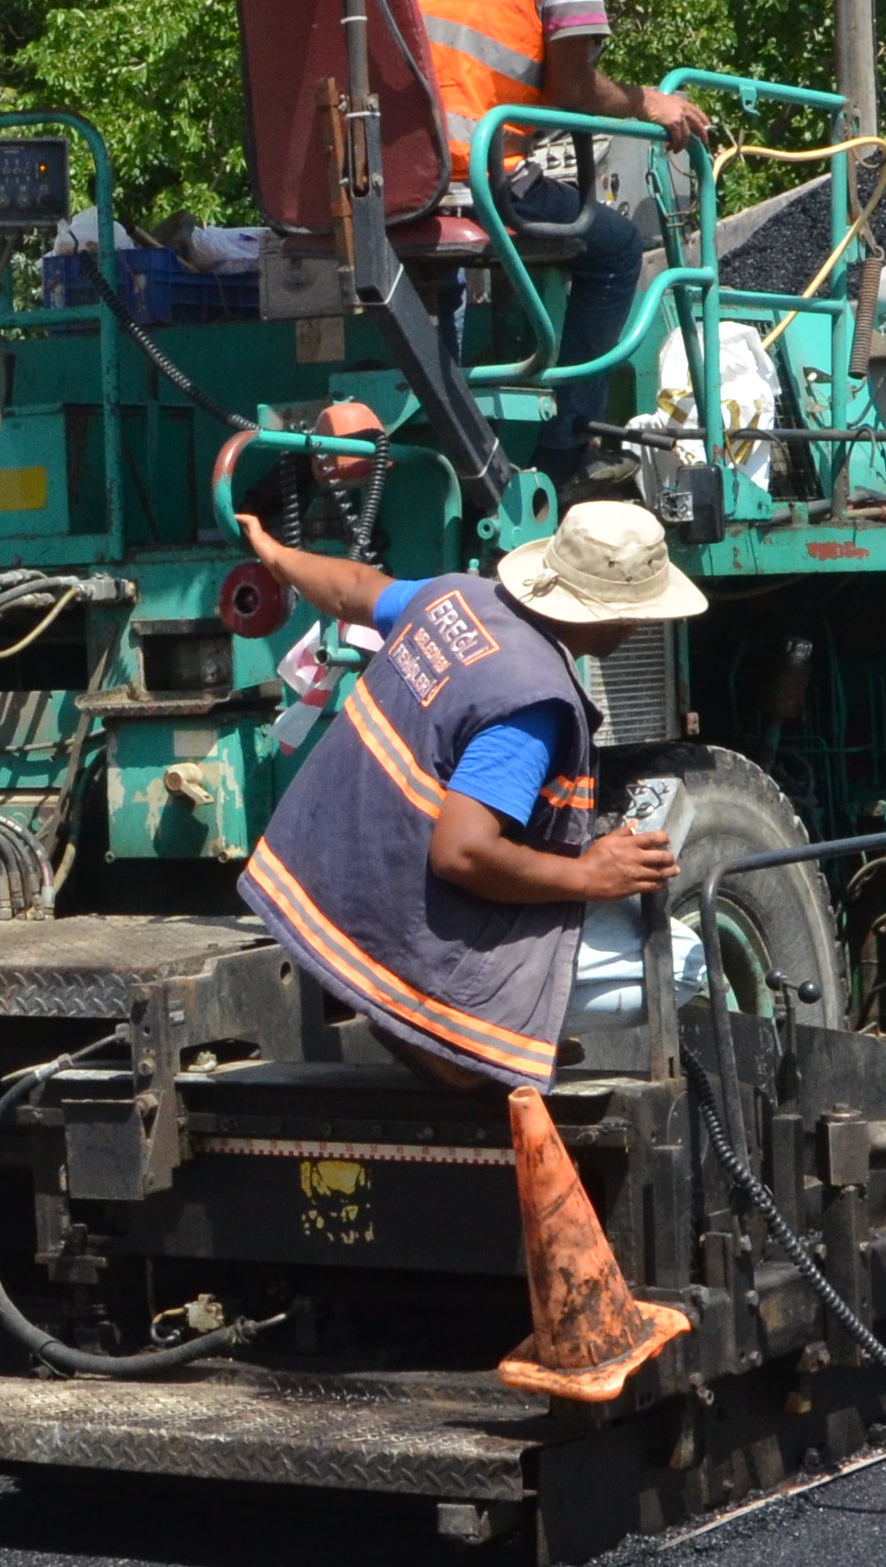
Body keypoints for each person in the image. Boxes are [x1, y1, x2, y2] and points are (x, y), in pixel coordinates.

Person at [230, 500, 705, 1403]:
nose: (644, 622)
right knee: (683, 961)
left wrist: (275, 552)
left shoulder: (454, 600)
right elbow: (463, 850)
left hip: (313, 889)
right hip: (398, 944)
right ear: (606, 614)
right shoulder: (532, 701)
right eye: (638, 609)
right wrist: (594, 872)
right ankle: (479, 1052)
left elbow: (356, 590)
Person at [408, 0, 711, 483]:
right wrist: (649, 102)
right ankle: (569, 451)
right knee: (616, 249)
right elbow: (573, 90)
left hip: (409, 175)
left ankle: (453, 438)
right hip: (479, 170)